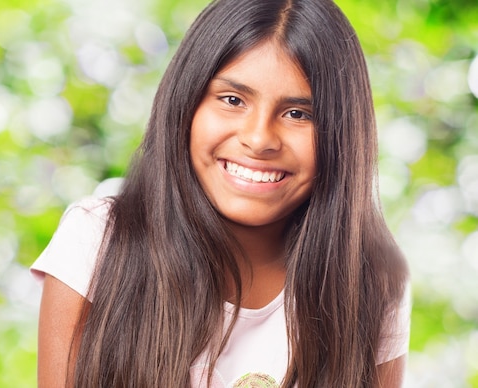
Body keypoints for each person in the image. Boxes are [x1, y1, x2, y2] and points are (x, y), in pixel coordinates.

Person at [31, 0, 411, 386]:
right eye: (233, 100)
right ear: (186, 104)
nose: (259, 138)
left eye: (298, 113)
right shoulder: (98, 240)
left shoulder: (371, 285)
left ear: (343, 135)